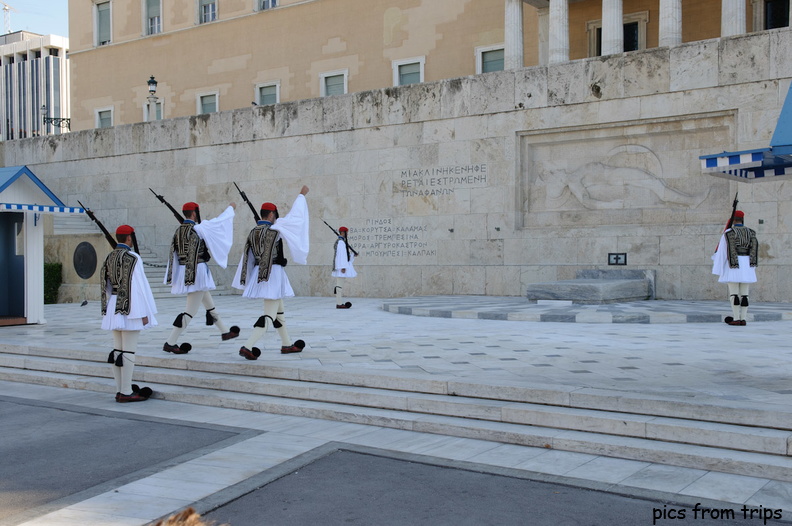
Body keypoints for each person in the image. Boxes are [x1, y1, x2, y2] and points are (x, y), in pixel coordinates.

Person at [232, 186, 310, 360]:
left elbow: (248, 257)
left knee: (279, 312)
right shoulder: (276, 230)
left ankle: (286, 344)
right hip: (273, 274)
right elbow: (294, 217)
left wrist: (249, 278)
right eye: (276, 215)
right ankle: (247, 345)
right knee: (269, 315)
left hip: (260, 274)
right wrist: (301, 195)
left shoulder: (253, 232)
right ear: (272, 215)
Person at [163, 201, 239, 354]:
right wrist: (230, 208)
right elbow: (219, 222)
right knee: (190, 312)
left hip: (188, 271)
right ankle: (170, 342)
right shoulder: (198, 228)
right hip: (197, 273)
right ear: (194, 213)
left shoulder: (178, 231)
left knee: (210, 305)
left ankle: (224, 331)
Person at [100, 225, 158, 403]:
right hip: (130, 308)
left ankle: (119, 390)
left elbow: (106, 285)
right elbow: (140, 287)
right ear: (129, 239)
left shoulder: (109, 256)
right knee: (129, 351)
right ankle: (126, 391)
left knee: (118, 350)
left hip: (113, 305)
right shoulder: (133, 258)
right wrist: (145, 311)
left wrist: (109, 305)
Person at [711, 210, 758, 326]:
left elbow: (722, 251)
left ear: (733, 220)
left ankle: (736, 318)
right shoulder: (751, 232)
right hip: (747, 265)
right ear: (742, 219)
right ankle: (743, 318)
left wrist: (717, 264)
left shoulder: (729, 233)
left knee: (734, 294)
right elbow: (754, 249)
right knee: (745, 294)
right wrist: (752, 266)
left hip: (733, 265)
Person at [332, 226, 357, 309]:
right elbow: (340, 256)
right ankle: (339, 303)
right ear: (343, 233)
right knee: (339, 286)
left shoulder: (342, 242)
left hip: (341, 266)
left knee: (339, 285)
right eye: (346, 232)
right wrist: (342, 267)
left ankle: (339, 302)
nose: (347, 234)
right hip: (341, 267)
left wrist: (353, 255)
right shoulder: (341, 242)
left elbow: (345, 256)